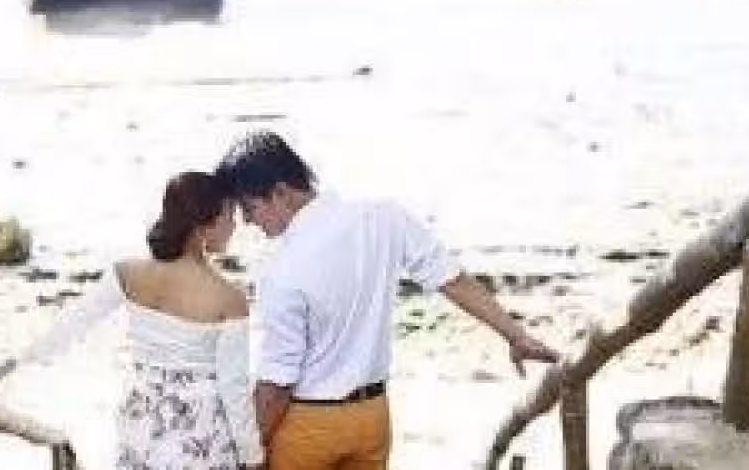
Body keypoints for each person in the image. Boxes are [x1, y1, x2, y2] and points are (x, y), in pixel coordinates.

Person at [214, 131, 560, 470]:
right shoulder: (383, 217)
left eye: (250, 208)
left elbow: (278, 381)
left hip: (309, 425)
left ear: (281, 193)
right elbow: (453, 280)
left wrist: (245, 448)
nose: (248, 221)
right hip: (372, 419)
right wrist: (515, 335)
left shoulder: (281, 270)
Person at [0, 172, 265, 470]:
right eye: (229, 215)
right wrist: (252, 457)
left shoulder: (127, 274)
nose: (235, 225)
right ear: (203, 225)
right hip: (200, 436)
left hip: (142, 424)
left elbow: (72, 323)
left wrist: (16, 360)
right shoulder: (230, 299)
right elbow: (234, 390)